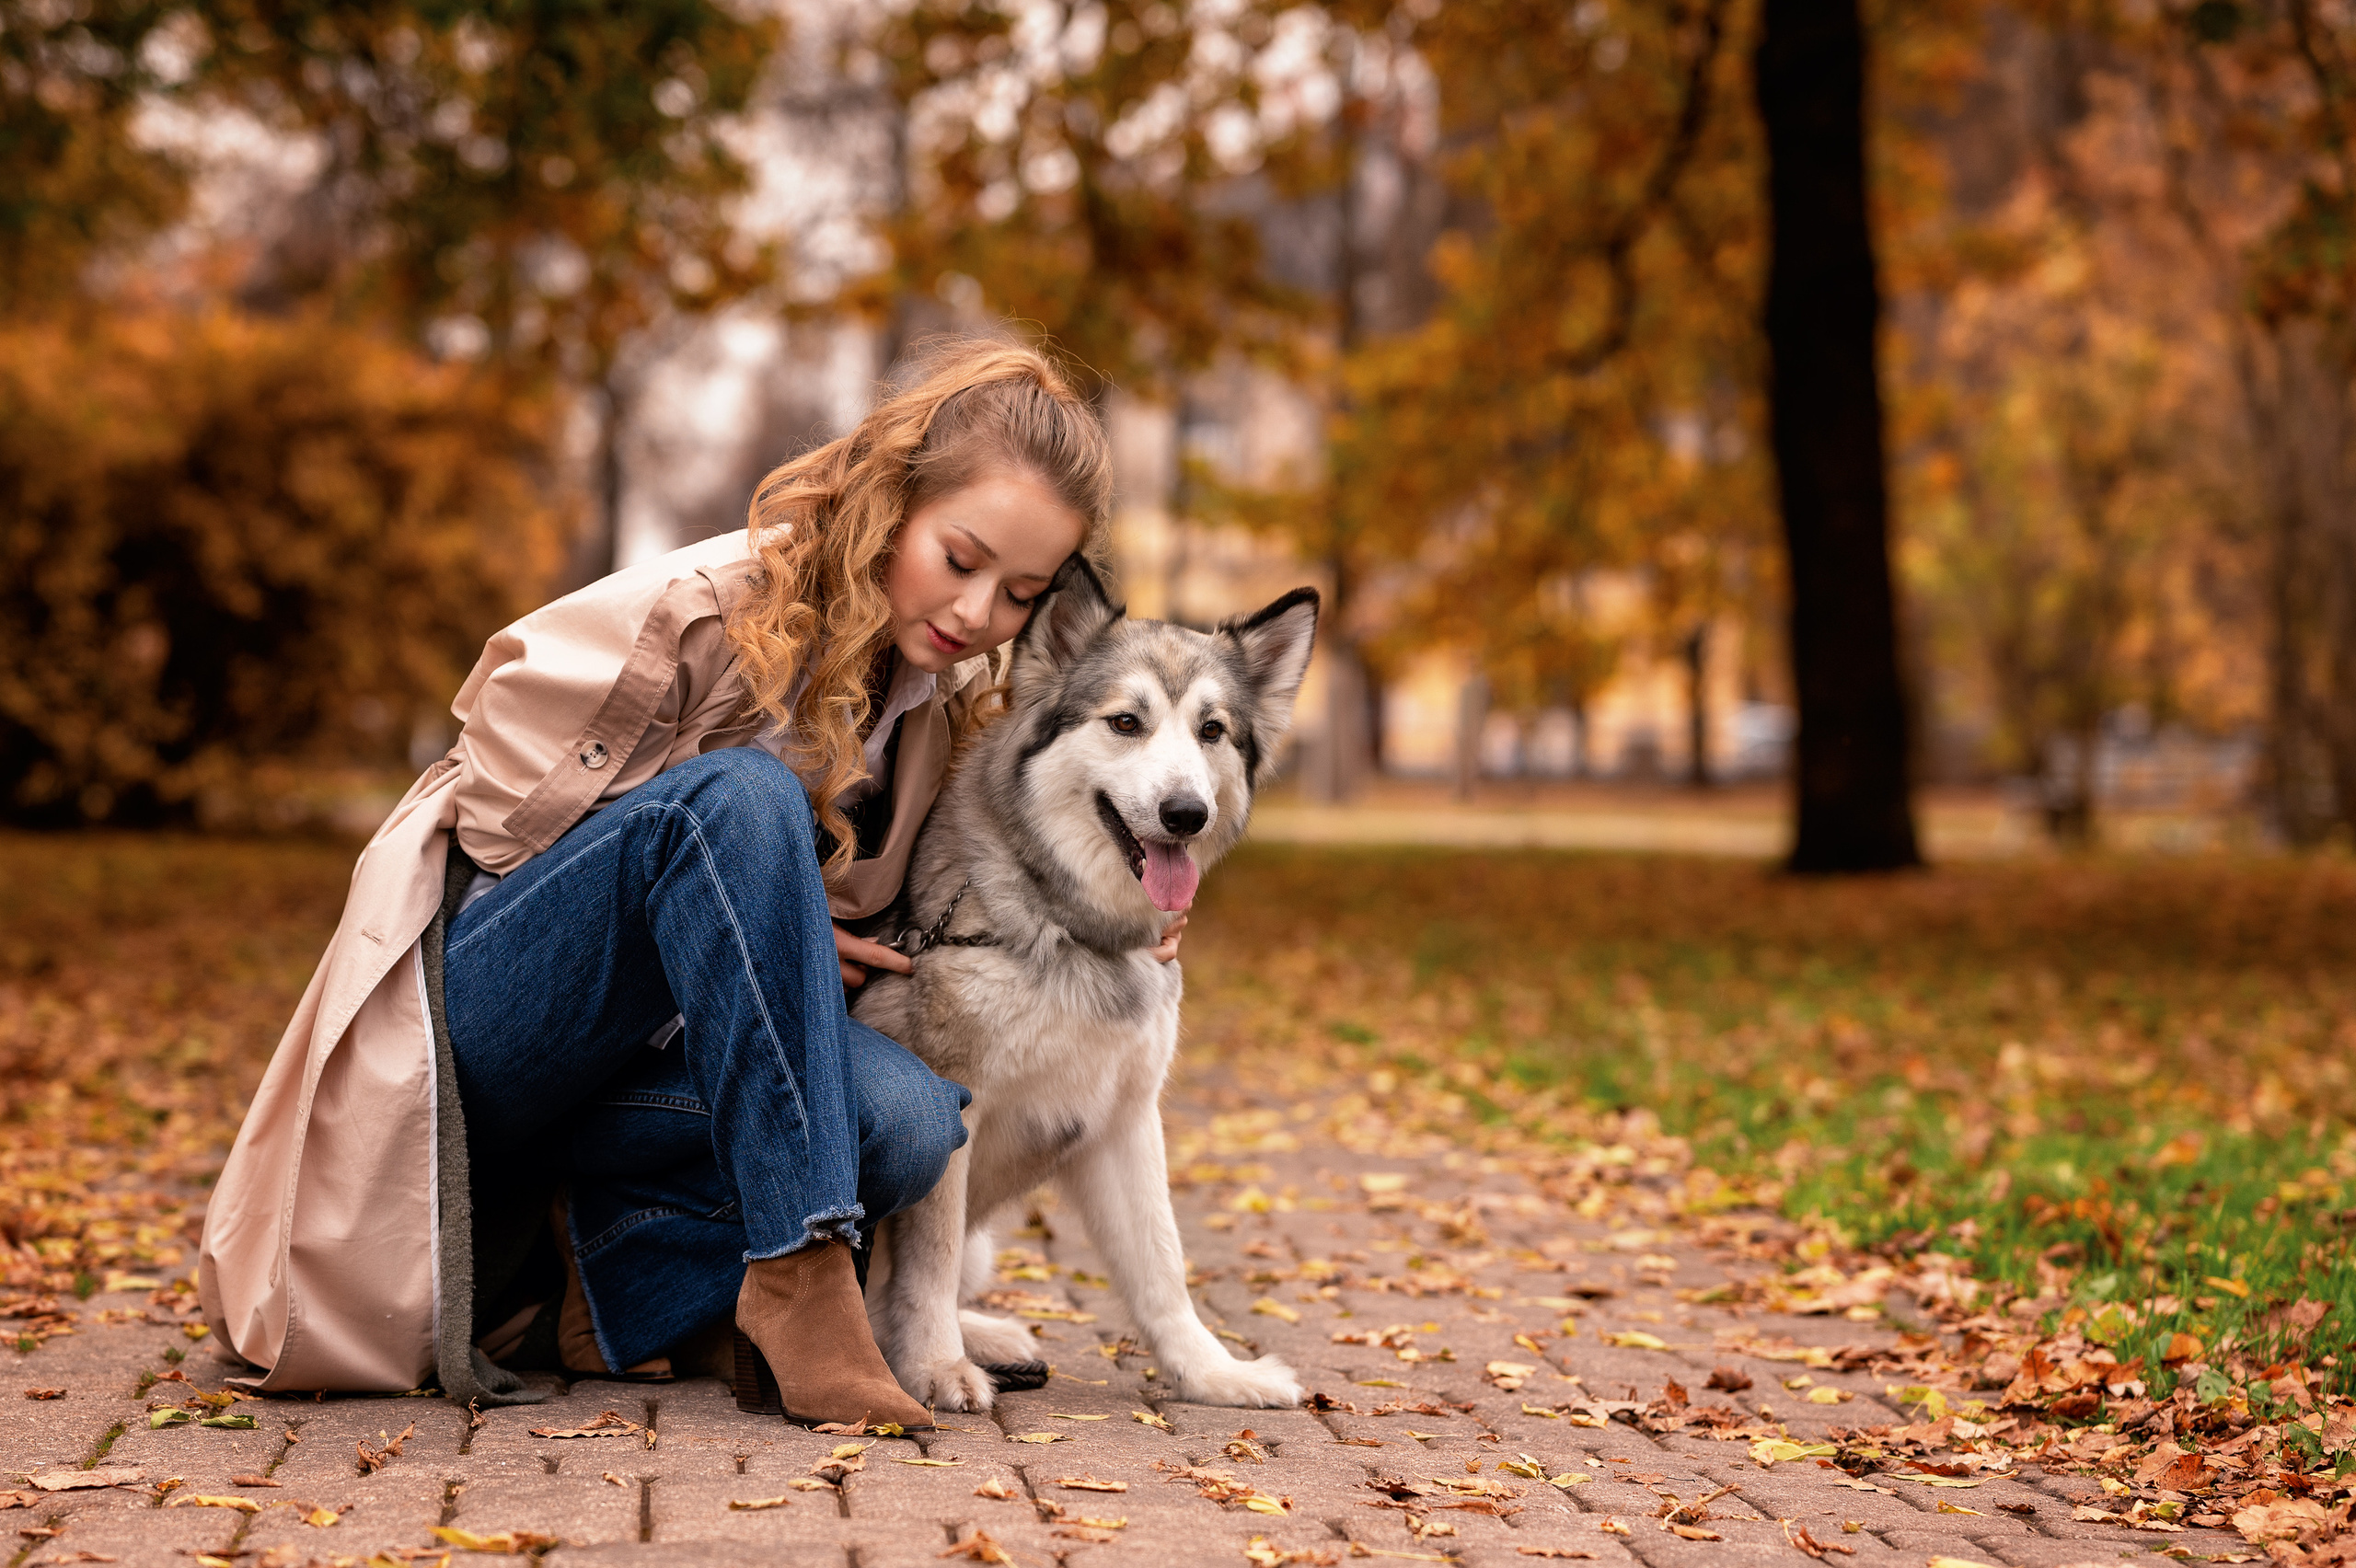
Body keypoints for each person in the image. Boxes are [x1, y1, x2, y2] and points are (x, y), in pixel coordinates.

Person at [198, 340, 1151, 1429]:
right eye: (961, 558)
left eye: (1019, 594)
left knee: (907, 1121)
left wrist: (1131, 904)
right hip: (490, 1022)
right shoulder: (709, 603)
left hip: (664, 1077)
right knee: (740, 802)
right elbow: (496, 817)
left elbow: (984, 869)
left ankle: (607, 1302)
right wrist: (723, 901)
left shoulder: (933, 703)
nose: (978, 611)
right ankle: (803, 1277)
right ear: (894, 505)